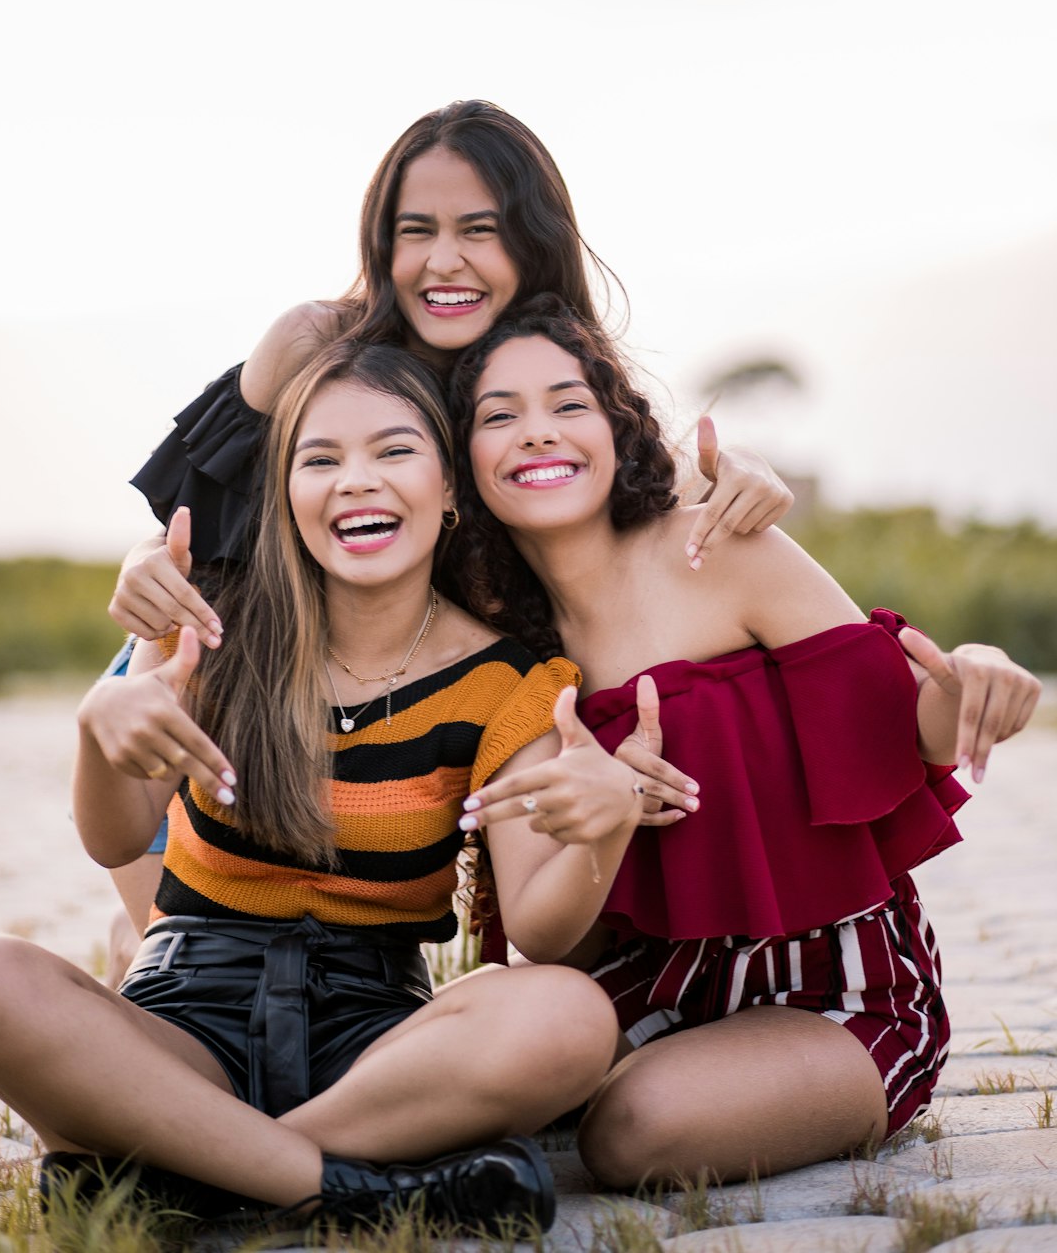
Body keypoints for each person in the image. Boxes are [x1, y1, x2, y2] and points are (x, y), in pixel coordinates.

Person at [0, 342, 652, 1236]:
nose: (356, 481)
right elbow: (114, 838)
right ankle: (333, 1183)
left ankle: (195, 1165)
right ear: (286, 497)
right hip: (186, 1018)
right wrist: (100, 732)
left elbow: (539, 929)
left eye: (394, 451)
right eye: (320, 460)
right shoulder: (210, 622)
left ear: (451, 488)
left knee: (567, 1016)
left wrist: (602, 830)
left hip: (374, 1047)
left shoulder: (509, 684)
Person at [443, 296, 1041, 1189]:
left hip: (840, 994)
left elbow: (905, 720)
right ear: (463, 464)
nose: (538, 433)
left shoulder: (717, 548)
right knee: (453, 1044)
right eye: (500, 416)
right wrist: (603, 820)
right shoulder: (499, 653)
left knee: (634, 1132)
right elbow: (553, 946)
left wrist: (978, 679)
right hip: (652, 988)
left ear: (616, 429)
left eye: (568, 404)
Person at [109, 98, 792, 650]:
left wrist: (740, 474)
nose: (443, 261)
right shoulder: (313, 344)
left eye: (478, 229)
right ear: (383, 243)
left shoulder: (556, 373)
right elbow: (197, 528)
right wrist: (143, 559)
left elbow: (638, 522)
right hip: (229, 680)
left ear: (533, 241)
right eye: (415, 231)